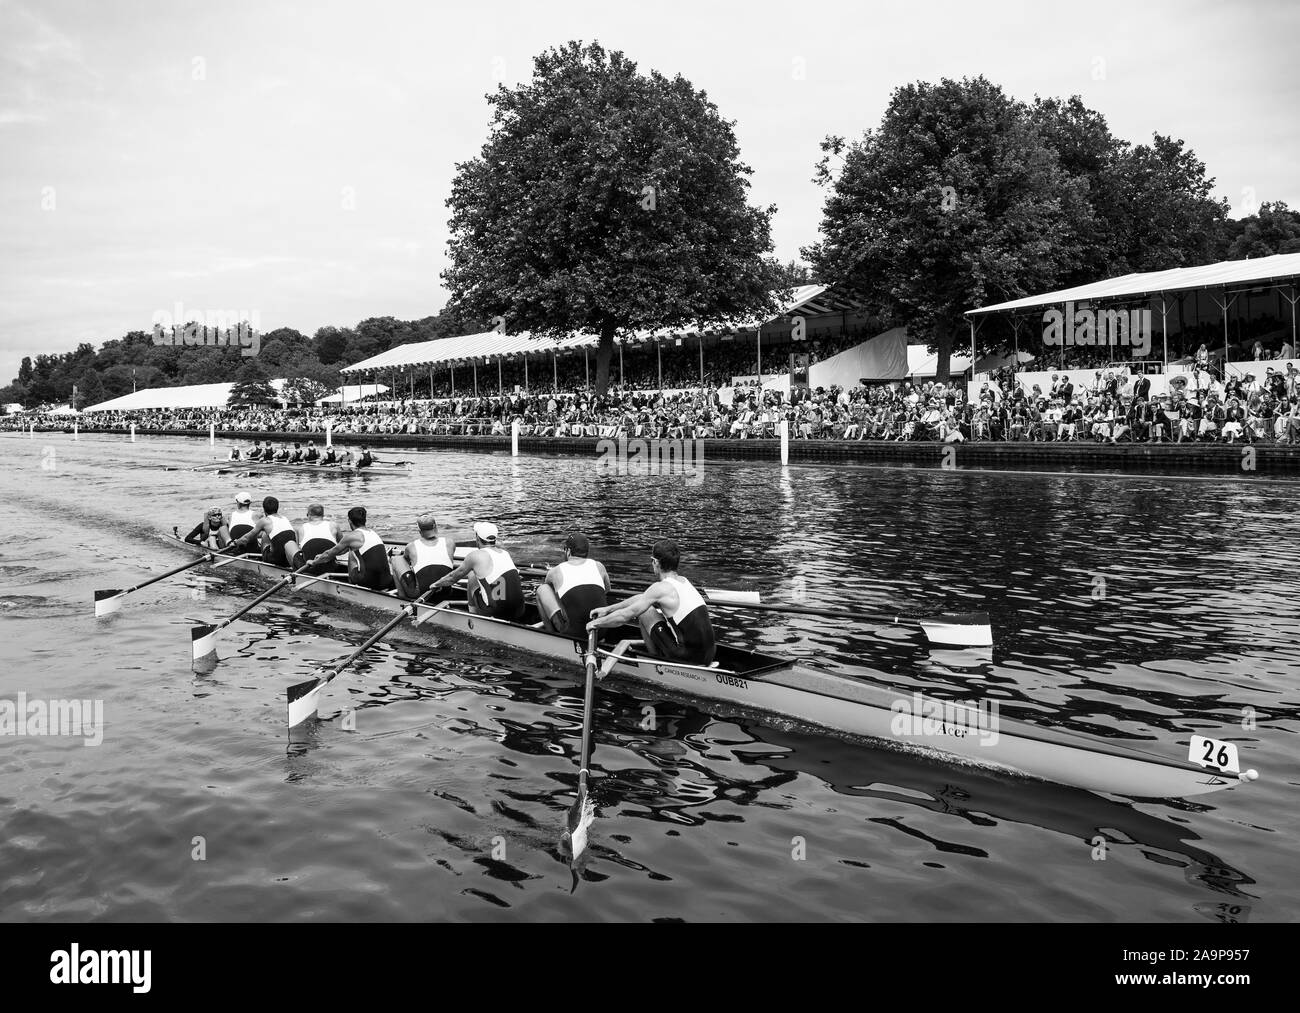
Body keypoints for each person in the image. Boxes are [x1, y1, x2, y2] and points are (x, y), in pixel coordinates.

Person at [587, 538, 716, 666]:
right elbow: (640, 598)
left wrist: (596, 623)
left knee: (644, 612)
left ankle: (655, 661)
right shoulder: (684, 581)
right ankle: (659, 655)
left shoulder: (660, 588)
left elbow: (624, 616)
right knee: (643, 604)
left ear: (655, 562)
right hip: (709, 654)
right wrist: (607, 610)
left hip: (687, 658)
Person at [427, 521, 524, 619]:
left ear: (477, 538)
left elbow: (452, 578)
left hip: (497, 611)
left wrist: (436, 584)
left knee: (472, 575)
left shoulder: (475, 556)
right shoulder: (505, 553)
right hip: (519, 610)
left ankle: (472, 616)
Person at [535, 532, 610, 637]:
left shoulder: (555, 571)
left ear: (568, 551)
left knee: (542, 589)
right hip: (601, 630)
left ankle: (551, 636)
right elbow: (606, 590)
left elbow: (550, 597)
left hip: (574, 632)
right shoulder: (599, 566)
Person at [307, 505, 394, 590]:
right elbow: (340, 551)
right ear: (365, 520)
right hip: (386, 580)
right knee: (353, 550)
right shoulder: (373, 533)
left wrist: (314, 562)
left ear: (349, 521)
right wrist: (321, 556)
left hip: (369, 582)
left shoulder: (352, 536)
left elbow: (328, 555)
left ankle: (351, 585)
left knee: (352, 552)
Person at [391, 513, 458, 601]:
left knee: (396, 559)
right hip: (445, 592)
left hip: (421, 593)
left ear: (419, 530)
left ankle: (402, 597)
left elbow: (405, 561)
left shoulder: (411, 546)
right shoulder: (450, 542)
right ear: (435, 527)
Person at [229, 496, 300, 567]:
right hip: (288, 559)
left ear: (264, 509)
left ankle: (264, 563)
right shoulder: (284, 518)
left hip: (277, 560)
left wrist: (235, 543)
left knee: (265, 535)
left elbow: (246, 539)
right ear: (277, 507)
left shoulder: (264, 521)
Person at [294, 503, 340, 567]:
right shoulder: (334, 525)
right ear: (323, 515)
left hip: (309, 565)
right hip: (330, 564)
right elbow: (341, 545)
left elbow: (298, 550)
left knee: (291, 545)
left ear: (308, 515)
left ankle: (295, 570)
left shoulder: (300, 528)